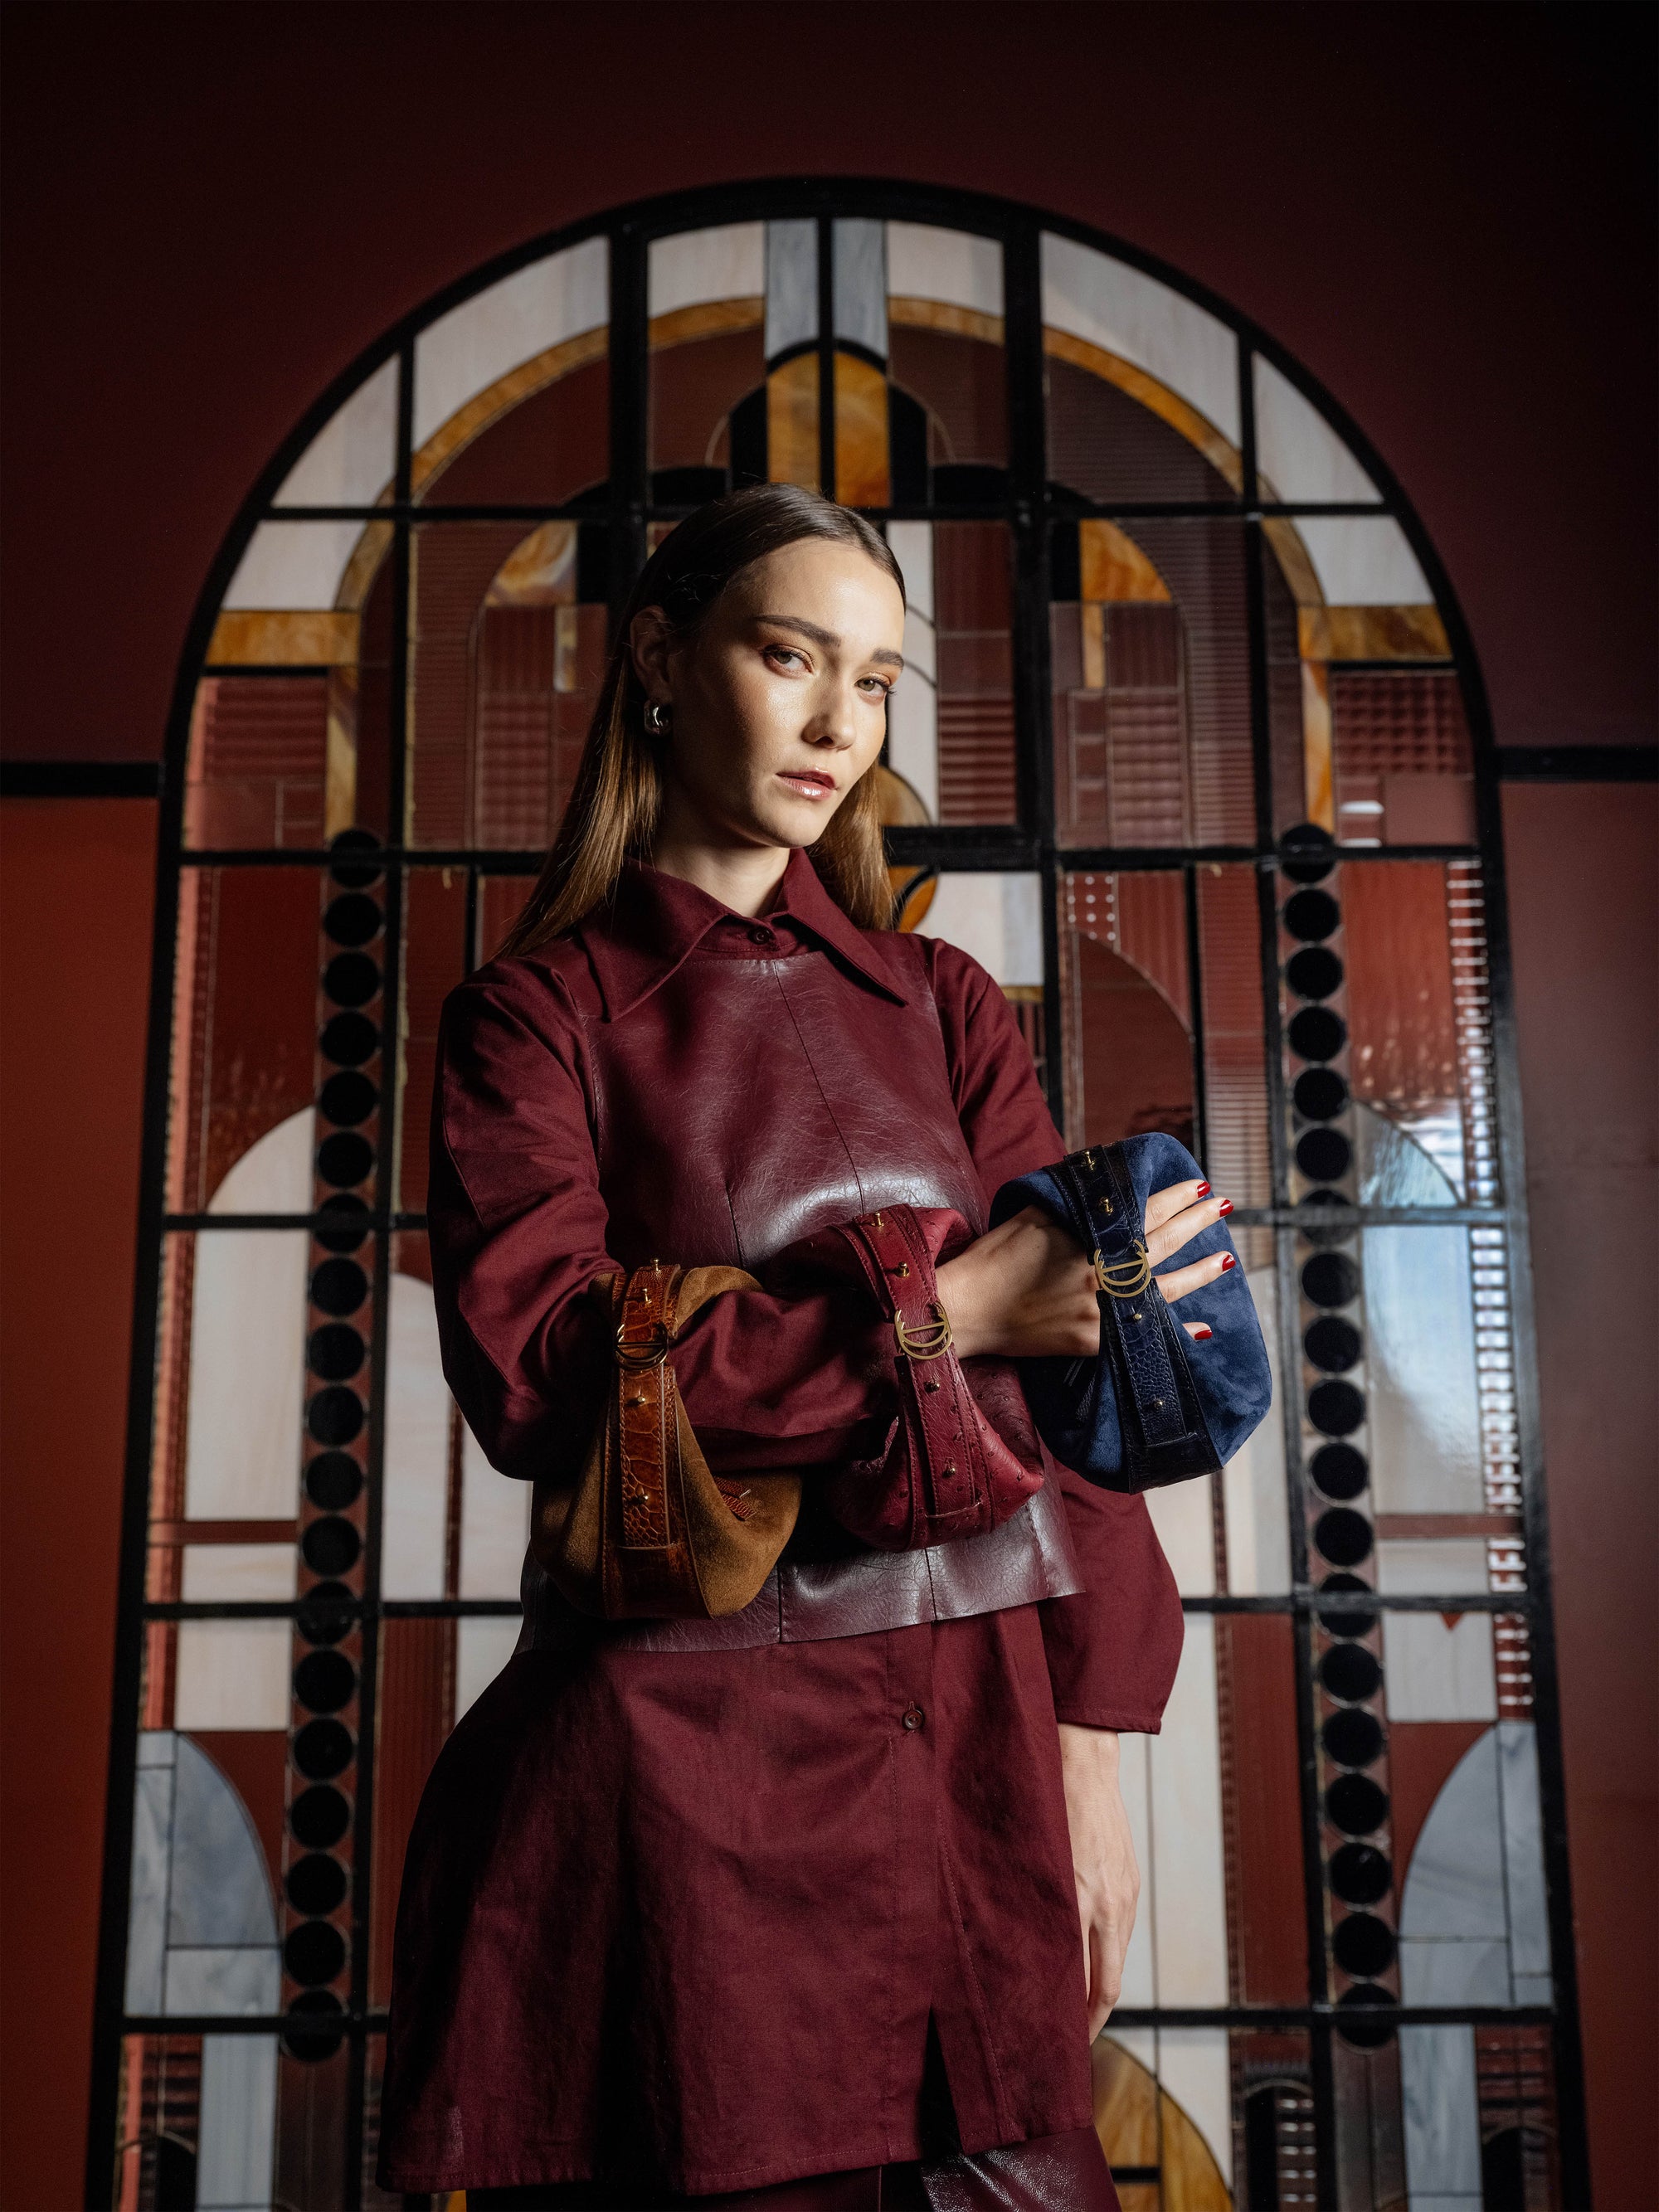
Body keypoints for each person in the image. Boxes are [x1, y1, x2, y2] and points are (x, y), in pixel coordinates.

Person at [377, 486, 1234, 2211]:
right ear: (658, 660)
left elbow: (1072, 1406)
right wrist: (949, 1310)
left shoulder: (942, 1002)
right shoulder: (531, 1018)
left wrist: (1090, 1745)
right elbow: (549, 1373)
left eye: (879, 677)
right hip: (686, 1774)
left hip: (976, 1757)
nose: (842, 721)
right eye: (791, 656)